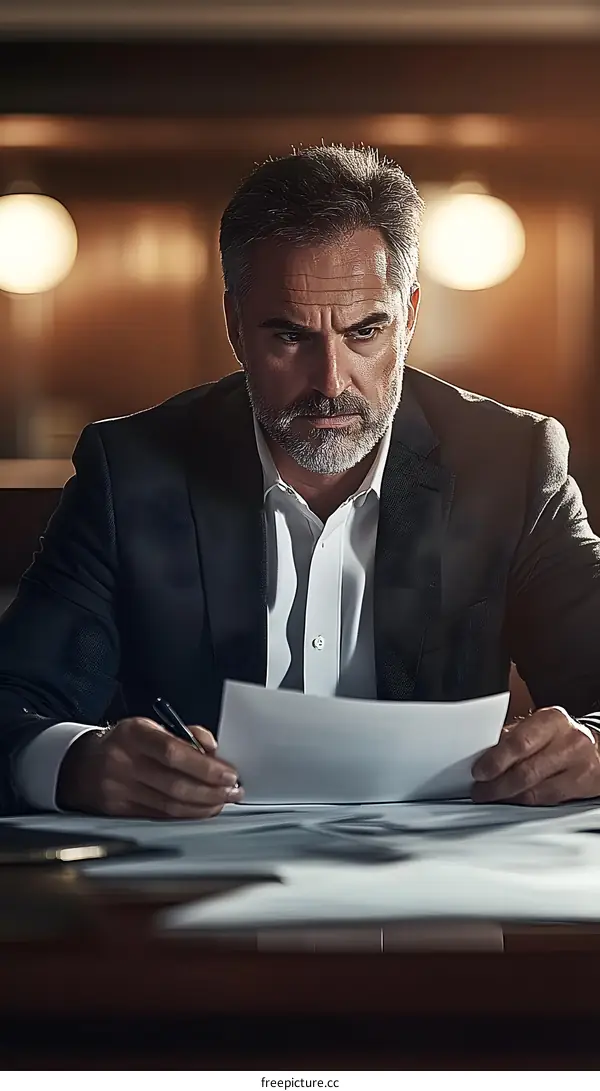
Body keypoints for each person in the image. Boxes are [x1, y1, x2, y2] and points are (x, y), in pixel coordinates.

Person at [1, 143, 600, 820]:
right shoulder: (132, 471)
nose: (331, 382)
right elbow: (13, 702)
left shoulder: (513, 464)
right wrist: (78, 762)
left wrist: (594, 747)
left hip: (438, 897)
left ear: (409, 315)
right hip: (191, 893)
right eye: (290, 336)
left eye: (364, 331)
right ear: (234, 325)